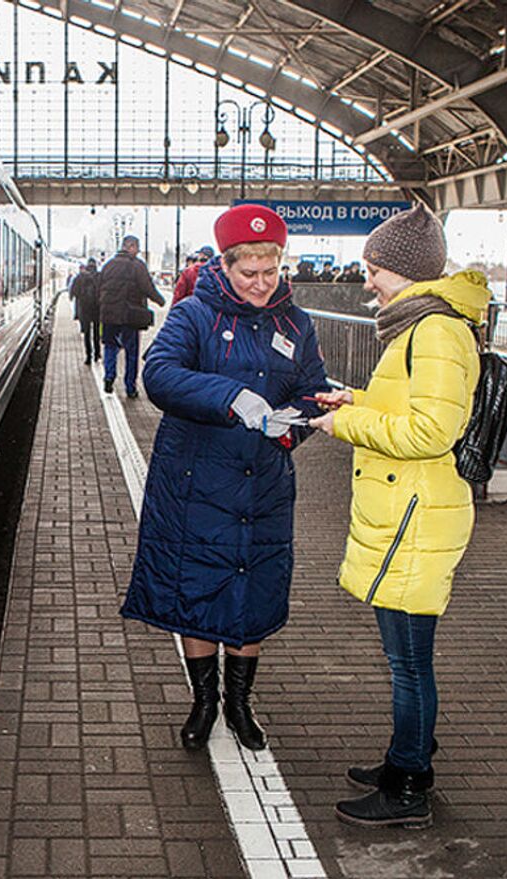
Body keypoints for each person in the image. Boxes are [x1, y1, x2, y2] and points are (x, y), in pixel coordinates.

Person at [120, 205, 331, 752]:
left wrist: (290, 428)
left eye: (272, 272)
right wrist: (230, 396)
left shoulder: (296, 324)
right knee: (199, 588)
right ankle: (205, 701)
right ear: (225, 265)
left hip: (262, 482)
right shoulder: (193, 315)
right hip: (197, 481)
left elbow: (314, 391)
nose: (262, 284)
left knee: (251, 591)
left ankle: (240, 704)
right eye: (249, 273)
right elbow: (160, 375)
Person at [307, 203, 488, 829]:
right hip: (408, 507)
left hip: (416, 516)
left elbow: (434, 430)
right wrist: (356, 398)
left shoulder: (434, 331)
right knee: (408, 659)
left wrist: (344, 423)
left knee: (409, 663)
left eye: (374, 269)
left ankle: (408, 784)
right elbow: (412, 406)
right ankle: (403, 758)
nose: (367, 282)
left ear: (404, 272)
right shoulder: (420, 325)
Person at [98, 235, 166, 398]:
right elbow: (147, 287)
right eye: (137, 248)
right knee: (131, 352)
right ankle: (130, 387)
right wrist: (160, 301)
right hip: (130, 315)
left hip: (109, 315)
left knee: (110, 346)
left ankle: (109, 377)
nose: (138, 251)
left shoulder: (108, 265)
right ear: (131, 247)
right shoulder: (137, 266)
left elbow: (98, 287)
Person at [70, 258, 101, 364]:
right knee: (96, 332)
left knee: (87, 333)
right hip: (97, 309)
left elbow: (73, 291)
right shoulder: (99, 276)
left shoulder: (80, 277)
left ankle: (88, 356)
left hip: (85, 309)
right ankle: (97, 353)